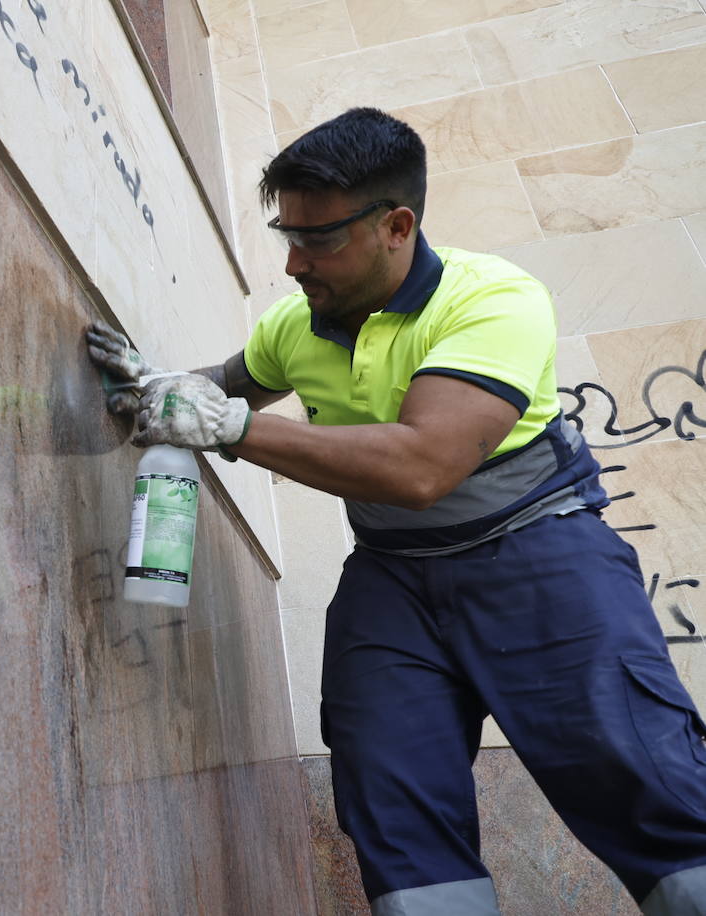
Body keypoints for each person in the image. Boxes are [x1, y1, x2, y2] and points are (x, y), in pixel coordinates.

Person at [86, 107, 706, 915]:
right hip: (392, 578)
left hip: (539, 556)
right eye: (287, 238)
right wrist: (156, 386)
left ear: (397, 225)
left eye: (318, 241)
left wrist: (234, 428)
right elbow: (218, 390)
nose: (293, 265)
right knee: (391, 804)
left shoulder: (492, 300)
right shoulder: (294, 326)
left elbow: (422, 466)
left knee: (648, 786)